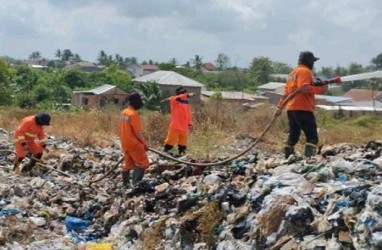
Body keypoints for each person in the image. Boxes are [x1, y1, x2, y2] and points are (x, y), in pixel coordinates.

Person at [277, 51, 327, 158]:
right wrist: (321, 89)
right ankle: (309, 160)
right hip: (303, 108)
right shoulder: (305, 71)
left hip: (291, 109)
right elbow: (304, 88)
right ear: (309, 61)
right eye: (313, 61)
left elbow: (286, 93)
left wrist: (280, 107)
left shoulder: (292, 73)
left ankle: (287, 158)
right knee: (312, 137)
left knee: (293, 136)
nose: (313, 64)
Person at [119, 92, 149, 188]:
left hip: (125, 143)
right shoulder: (133, 114)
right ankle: (136, 184)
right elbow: (138, 133)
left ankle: (126, 185)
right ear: (135, 101)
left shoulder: (124, 112)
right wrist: (144, 144)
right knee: (143, 163)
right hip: (134, 144)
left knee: (128, 164)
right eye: (139, 100)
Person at [163, 86, 194, 156]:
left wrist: (189, 124)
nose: (184, 95)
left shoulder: (186, 103)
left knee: (183, 143)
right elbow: (178, 97)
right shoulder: (173, 100)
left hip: (184, 127)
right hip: (175, 126)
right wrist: (188, 95)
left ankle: (181, 154)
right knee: (170, 141)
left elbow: (188, 114)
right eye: (183, 93)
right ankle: (166, 153)